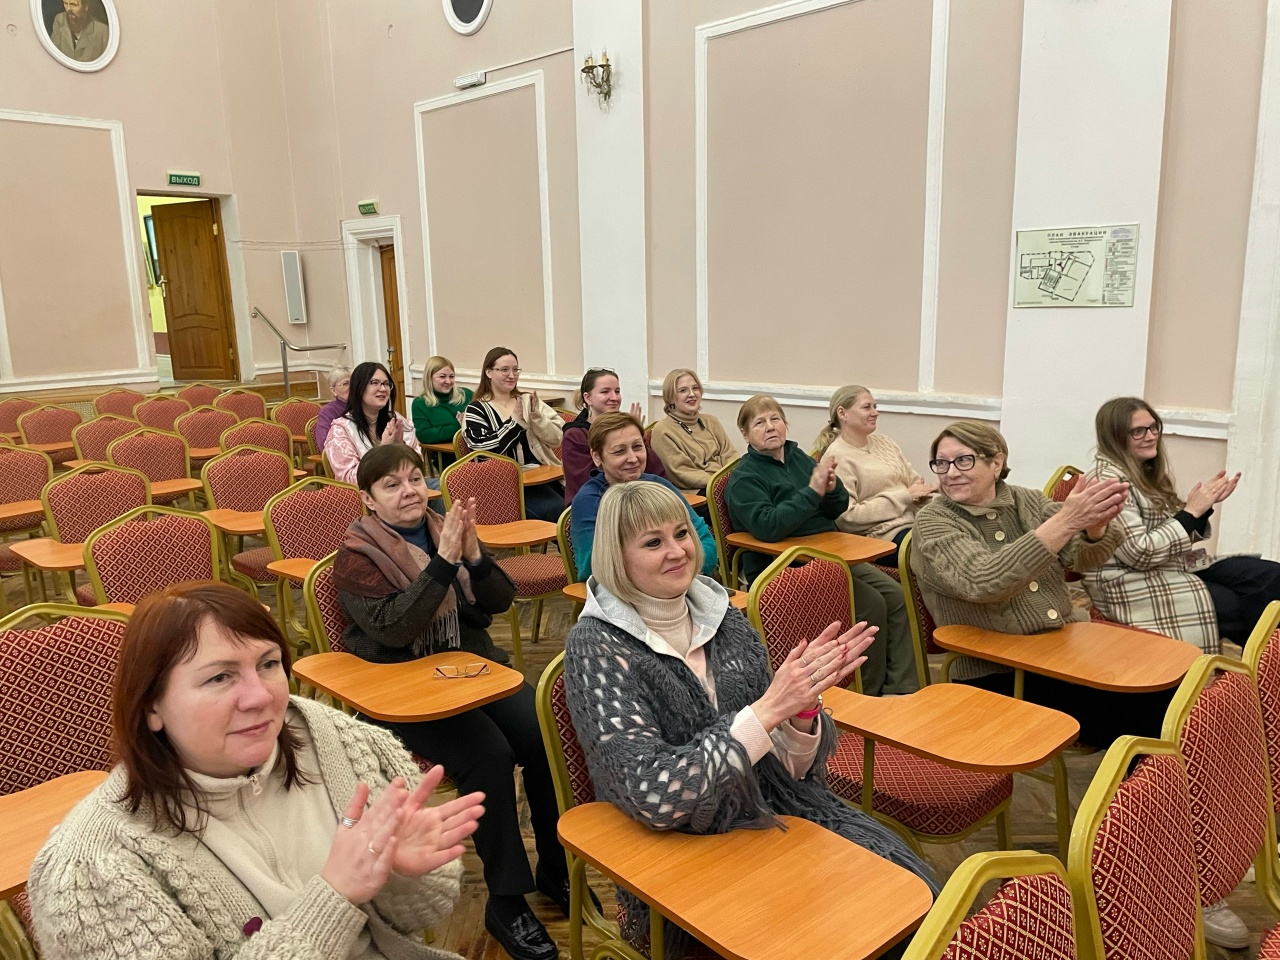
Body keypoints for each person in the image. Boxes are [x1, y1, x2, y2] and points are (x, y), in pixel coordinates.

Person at [563, 482, 938, 959]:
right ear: (617, 557)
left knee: (912, 903)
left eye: (682, 533)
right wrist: (767, 711)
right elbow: (654, 796)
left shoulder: (724, 616)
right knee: (847, 933)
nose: (677, 551)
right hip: (684, 852)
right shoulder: (597, 646)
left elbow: (786, 771)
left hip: (775, 811)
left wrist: (801, 711)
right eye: (653, 542)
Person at [28, 581, 483, 960]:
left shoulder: (338, 741)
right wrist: (334, 897)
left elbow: (426, 912)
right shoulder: (92, 867)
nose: (260, 697)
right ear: (151, 706)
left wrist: (398, 877)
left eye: (268, 664)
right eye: (219, 677)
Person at [333, 444, 568, 960]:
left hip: (465, 668)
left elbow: (499, 601)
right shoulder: (356, 557)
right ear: (368, 499)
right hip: (399, 688)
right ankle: (506, 901)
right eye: (392, 485)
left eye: (415, 479)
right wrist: (443, 563)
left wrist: (476, 558)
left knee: (544, 735)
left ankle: (556, 867)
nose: (409, 491)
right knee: (490, 754)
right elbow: (396, 630)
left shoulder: (446, 528)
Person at [907, 420, 1182, 749]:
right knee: (1147, 715)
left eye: (963, 460)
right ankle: (1140, 782)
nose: (951, 473)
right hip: (999, 668)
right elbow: (982, 581)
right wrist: (1066, 521)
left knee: (1170, 688)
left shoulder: (1025, 500)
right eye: (941, 463)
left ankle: (1147, 778)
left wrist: (1094, 529)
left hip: (1061, 647)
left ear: (996, 462)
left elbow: (1080, 559)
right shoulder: (934, 520)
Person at [725, 395, 918, 696]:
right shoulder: (745, 477)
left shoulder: (800, 459)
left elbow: (836, 509)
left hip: (830, 554)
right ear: (746, 434)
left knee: (895, 594)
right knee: (871, 604)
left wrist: (831, 489)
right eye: (759, 423)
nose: (770, 427)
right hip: (783, 564)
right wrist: (812, 492)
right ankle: (868, 693)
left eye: (775, 419)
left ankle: (902, 686)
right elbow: (768, 526)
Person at [1085, 397, 1280, 652]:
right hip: (1130, 582)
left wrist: (1202, 507)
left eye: (1154, 427)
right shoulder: (1107, 483)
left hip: (1169, 566)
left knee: (1271, 577)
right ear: (1115, 436)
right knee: (1243, 606)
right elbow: (1140, 553)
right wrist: (1191, 512)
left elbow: (1171, 530)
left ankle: (1261, 666)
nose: (1151, 436)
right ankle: (1254, 667)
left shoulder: (1141, 470)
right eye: (1138, 431)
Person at [570, 411, 716, 579]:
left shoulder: (660, 486)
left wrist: (681, 569)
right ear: (597, 457)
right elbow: (593, 567)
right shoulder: (589, 502)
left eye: (637, 447)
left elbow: (705, 541)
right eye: (619, 451)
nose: (633, 458)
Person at [812, 385, 935, 567]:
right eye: (866, 407)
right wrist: (905, 497)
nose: (875, 413)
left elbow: (915, 483)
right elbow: (847, 518)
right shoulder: (837, 458)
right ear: (842, 413)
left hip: (916, 521)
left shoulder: (885, 442)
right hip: (882, 538)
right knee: (943, 553)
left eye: (875, 407)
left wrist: (931, 495)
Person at [463, 347, 565, 524]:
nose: (512, 375)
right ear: (488, 372)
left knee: (577, 504)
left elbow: (558, 438)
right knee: (557, 510)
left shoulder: (527, 401)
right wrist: (515, 423)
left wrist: (536, 418)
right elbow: (482, 450)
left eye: (515, 370)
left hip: (542, 476)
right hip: (504, 487)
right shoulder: (476, 409)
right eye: (504, 370)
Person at [561, 367, 667, 502]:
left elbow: (655, 471)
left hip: (643, 499)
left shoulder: (627, 428)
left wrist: (635, 435)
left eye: (617, 391)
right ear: (588, 398)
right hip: (597, 503)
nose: (614, 398)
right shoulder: (575, 435)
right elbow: (587, 481)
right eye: (605, 392)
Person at [325, 362, 420, 486]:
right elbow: (349, 480)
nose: (383, 389)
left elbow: (418, 466)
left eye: (386, 384)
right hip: (366, 496)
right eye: (375, 383)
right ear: (359, 388)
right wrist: (383, 450)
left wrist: (401, 447)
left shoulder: (396, 420)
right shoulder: (341, 429)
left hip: (406, 488)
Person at [647, 368, 738, 496]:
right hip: (696, 491)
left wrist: (734, 478)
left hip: (724, 482)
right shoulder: (662, 430)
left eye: (695, 388)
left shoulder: (711, 421)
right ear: (670, 397)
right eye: (683, 390)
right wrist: (718, 483)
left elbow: (730, 454)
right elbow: (681, 473)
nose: (692, 394)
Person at [412, 355, 472, 447]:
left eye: (451, 376)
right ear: (429, 378)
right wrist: (458, 425)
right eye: (442, 376)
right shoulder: (420, 403)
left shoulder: (466, 395)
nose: (448, 381)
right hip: (441, 454)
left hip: (474, 450)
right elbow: (424, 435)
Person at [315, 364, 352, 449]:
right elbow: (324, 443)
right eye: (346, 384)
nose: (351, 387)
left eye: (353, 383)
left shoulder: (363, 406)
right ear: (333, 390)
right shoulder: (328, 411)